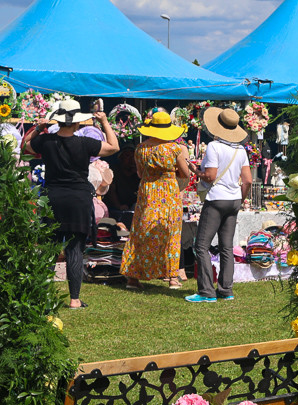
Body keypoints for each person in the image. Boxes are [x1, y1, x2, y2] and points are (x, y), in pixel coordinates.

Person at [25, 99, 119, 308]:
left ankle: (43, 297)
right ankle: (75, 300)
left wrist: (39, 129)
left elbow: (26, 146)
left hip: (52, 198)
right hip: (78, 200)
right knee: (75, 249)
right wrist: (104, 122)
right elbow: (114, 147)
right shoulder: (85, 144)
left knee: (49, 249)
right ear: (77, 123)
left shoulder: (46, 141)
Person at [186, 107, 252, 303]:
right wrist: (240, 199)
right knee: (226, 247)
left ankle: (206, 291)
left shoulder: (214, 147)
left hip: (216, 199)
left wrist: (195, 171)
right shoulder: (240, 149)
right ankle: (226, 289)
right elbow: (247, 180)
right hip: (233, 199)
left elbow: (210, 176)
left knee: (202, 245)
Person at [120, 112, 190, 291]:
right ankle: (172, 277)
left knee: (140, 231)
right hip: (168, 192)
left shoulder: (140, 148)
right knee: (170, 231)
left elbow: (140, 173)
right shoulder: (174, 149)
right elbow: (185, 174)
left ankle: (133, 278)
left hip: (148, 192)